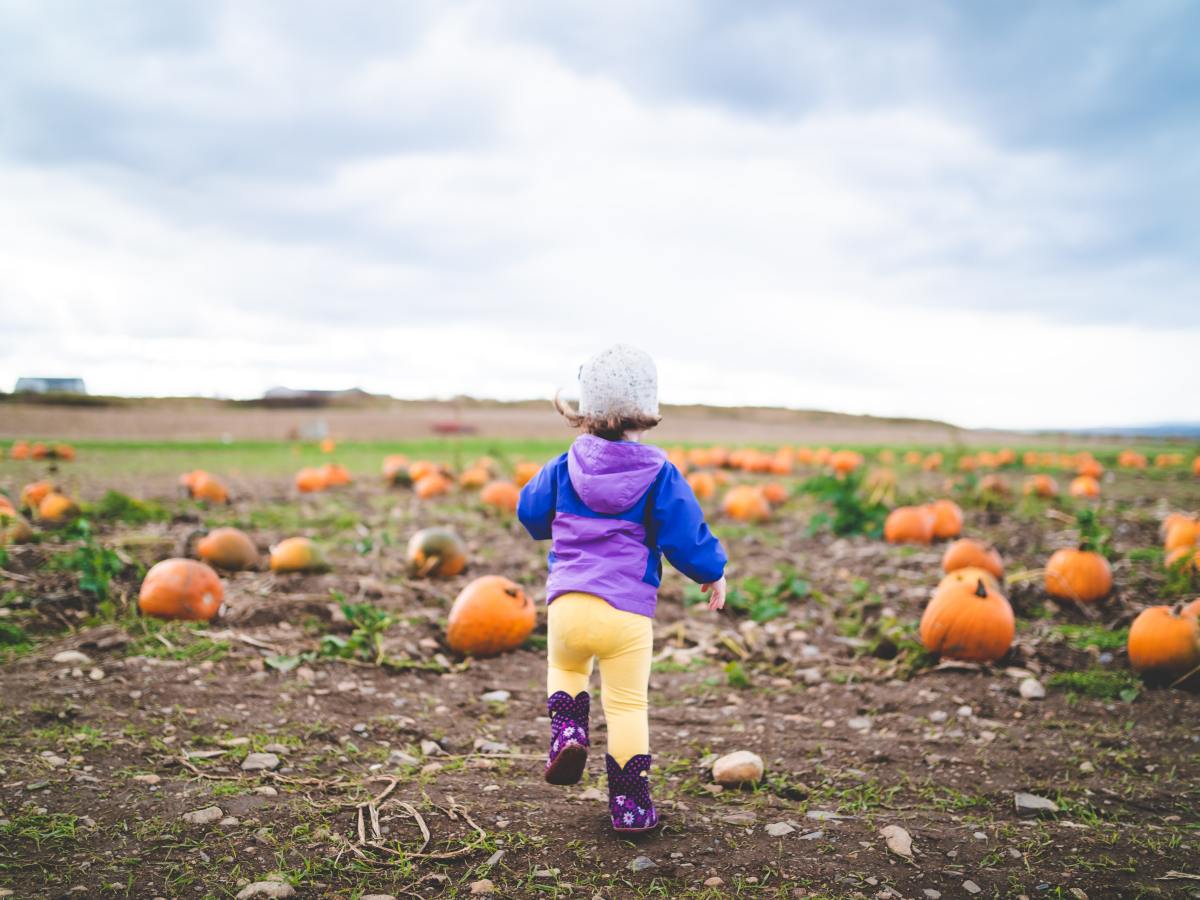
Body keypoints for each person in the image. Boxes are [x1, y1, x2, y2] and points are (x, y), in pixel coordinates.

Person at [517, 344, 728, 832]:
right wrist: (711, 571)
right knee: (628, 706)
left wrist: (564, 519)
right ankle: (630, 807)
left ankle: (567, 730)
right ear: (647, 411)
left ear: (584, 410)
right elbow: (685, 536)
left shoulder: (562, 465)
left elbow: (530, 513)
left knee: (565, 668)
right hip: (627, 614)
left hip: (568, 606)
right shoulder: (659, 474)